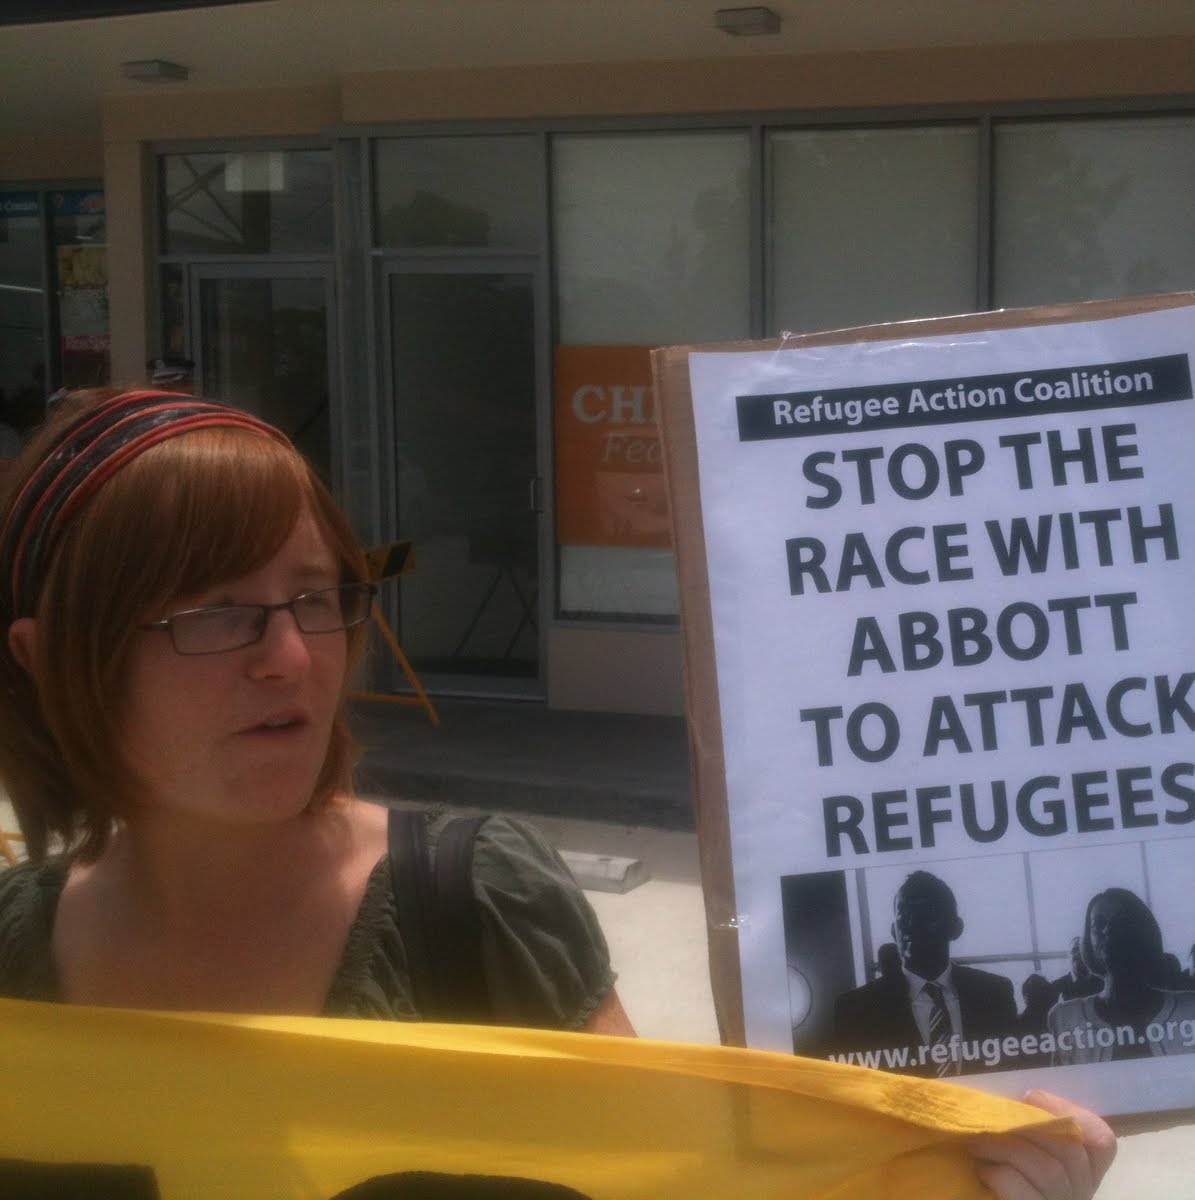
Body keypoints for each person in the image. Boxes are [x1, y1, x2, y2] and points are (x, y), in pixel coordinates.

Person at [0, 389, 1114, 1199]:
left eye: (316, 596)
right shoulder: (14, 960)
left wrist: (952, 1177)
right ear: (52, 660)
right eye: (215, 611)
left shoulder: (471, 903)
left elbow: (674, 1187)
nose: (291, 657)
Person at [830, 869, 1019, 1078]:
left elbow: (1015, 1069)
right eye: (904, 916)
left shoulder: (994, 994)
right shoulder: (856, 1010)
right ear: (894, 931)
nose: (912, 925)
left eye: (927, 915)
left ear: (955, 928)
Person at [1048, 888, 1195, 1066]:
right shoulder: (1065, 1018)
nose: (1108, 930)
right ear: (1089, 939)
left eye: (1120, 922)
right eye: (1098, 923)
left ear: (1143, 931)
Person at [1051, 936, 1102, 1000]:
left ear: (1090, 954)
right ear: (1068, 956)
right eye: (1074, 950)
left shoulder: (1103, 985)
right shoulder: (1056, 987)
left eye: (1083, 950)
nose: (1078, 953)